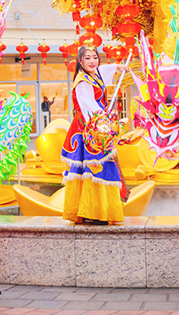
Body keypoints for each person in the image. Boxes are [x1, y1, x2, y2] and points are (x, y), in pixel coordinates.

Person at [61, 45, 128, 225]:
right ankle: (92, 211)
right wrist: (104, 119)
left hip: (97, 124)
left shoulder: (93, 75)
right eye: (87, 58)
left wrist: (118, 67)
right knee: (93, 168)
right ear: (80, 61)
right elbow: (88, 103)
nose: (92, 61)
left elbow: (102, 71)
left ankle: (96, 210)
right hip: (89, 127)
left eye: (94, 57)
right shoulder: (82, 81)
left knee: (98, 166)